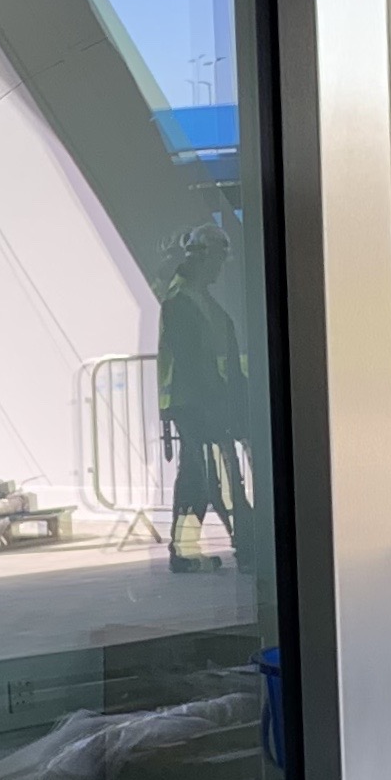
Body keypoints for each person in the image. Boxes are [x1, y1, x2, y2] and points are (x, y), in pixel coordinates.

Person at [155, 223, 254, 573]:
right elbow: (192, 362)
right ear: (201, 258)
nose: (219, 269)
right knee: (212, 476)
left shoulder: (201, 300)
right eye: (217, 261)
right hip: (196, 404)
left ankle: (186, 549)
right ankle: (239, 545)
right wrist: (221, 404)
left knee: (199, 478)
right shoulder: (180, 301)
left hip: (207, 403)